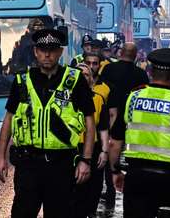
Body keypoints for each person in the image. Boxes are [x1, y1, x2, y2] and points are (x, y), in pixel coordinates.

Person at [0, 29, 96, 218]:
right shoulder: (22, 81)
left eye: (52, 49)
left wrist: (85, 160)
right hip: (28, 164)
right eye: (42, 49)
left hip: (61, 165)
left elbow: (90, 122)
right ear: (36, 52)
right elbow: (9, 119)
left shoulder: (74, 81)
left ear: (59, 52)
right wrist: (0, 157)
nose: (47, 54)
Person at [108, 48, 170, 217]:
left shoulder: (132, 98)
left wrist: (115, 172)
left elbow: (115, 143)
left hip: (136, 178)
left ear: (150, 71)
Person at [70, 52, 110, 218]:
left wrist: (105, 151)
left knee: (92, 189)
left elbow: (103, 127)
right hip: (70, 149)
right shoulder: (64, 99)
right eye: (79, 74)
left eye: (86, 74)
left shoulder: (99, 98)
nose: (83, 77)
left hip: (92, 148)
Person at [99, 42, 149, 127]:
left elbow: (100, 89)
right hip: (132, 118)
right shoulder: (141, 74)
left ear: (121, 53)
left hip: (108, 116)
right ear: (135, 55)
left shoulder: (108, 68)